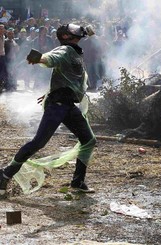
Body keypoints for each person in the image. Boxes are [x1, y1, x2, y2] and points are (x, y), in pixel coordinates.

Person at [0, 23, 97, 198]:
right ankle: (5, 174)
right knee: (38, 142)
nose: (77, 30)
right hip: (58, 106)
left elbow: (68, 80)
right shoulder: (66, 50)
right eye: (73, 30)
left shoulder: (74, 53)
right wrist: (39, 58)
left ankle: (77, 181)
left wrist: (49, 92)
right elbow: (51, 57)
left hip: (68, 105)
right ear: (66, 36)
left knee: (89, 140)